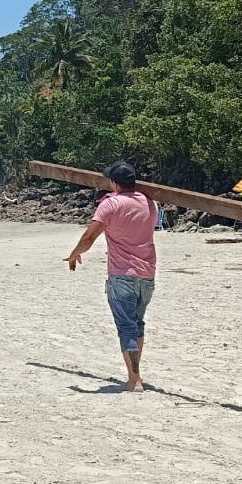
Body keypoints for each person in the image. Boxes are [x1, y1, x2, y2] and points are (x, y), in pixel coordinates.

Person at [65, 161, 158, 391]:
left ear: (114, 183)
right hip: (147, 273)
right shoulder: (150, 203)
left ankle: (135, 380)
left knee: (126, 326)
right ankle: (135, 374)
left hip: (122, 274)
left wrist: (74, 254)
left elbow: (89, 237)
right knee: (137, 324)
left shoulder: (111, 204)